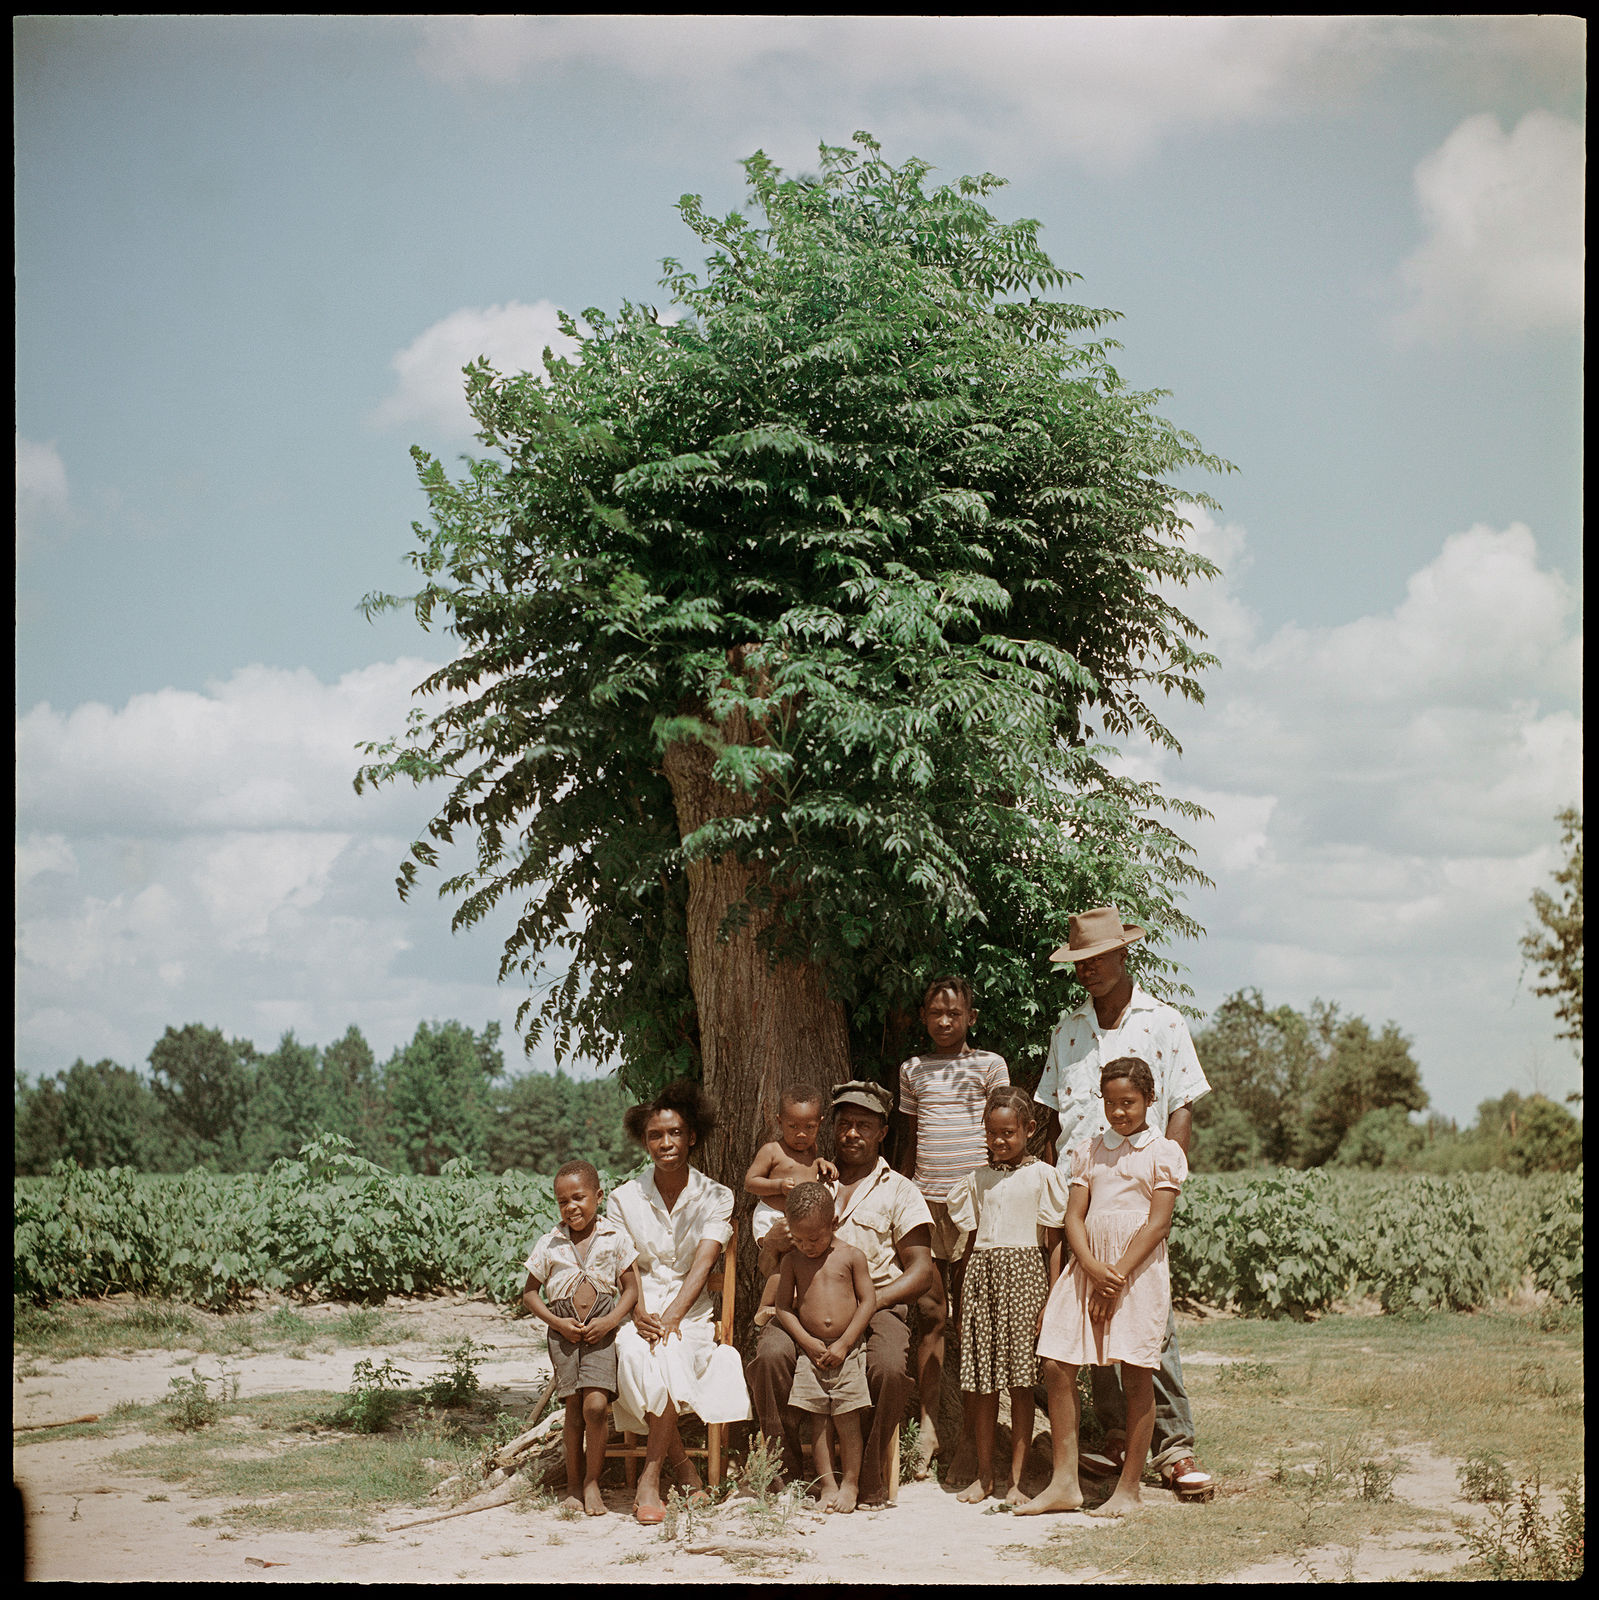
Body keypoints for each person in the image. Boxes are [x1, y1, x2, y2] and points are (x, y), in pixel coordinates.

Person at [1032, 905, 1215, 1502]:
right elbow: (1052, 1117)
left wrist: (1165, 1176)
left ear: (1123, 954)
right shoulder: (1068, 1031)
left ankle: (1174, 1446)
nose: (1090, 972)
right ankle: (1114, 1437)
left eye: (1099, 960)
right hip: (1082, 1199)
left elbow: (1183, 1104)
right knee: (1090, 1319)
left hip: (1141, 1199)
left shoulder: (1163, 1022)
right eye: (1080, 963)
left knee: (1146, 1322)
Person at [748, 1079, 937, 1506]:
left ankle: (866, 1480)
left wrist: (872, 1305)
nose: (852, 1133)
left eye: (864, 1126)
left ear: (882, 1133)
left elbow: (922, 1271)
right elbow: (768, 1268)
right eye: (845, 1124)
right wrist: (775, 1243)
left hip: (878, 1308)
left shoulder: (900, 1189)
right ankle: (787, 1479)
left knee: (888, 1368)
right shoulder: (808, 1181)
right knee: (770, 1357)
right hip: (804, 1308)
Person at [1022, 1058, 1187, 1517]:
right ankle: (1063, 1483)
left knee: (1136, 1373)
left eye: (1128, 1103)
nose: (1119, 1112)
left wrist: (1115, 1277)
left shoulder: (1164, 1151)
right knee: (1056, 1362)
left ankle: (1129, 1489)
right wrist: (1093, 1269)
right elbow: (1074, 1216)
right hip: (1089, 1267)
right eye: (1111, 1103)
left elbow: (1157, 1225)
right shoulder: (1089, 1150)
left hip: (1136, 1274)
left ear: (1150, 1100)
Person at [606, 1081, 751, 1524]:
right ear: (644, 1140)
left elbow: (705, 1262)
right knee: (632, 1352)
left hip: (692, 1312)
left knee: (668, 1351)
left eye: (674, 1132)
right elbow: (624, 1268)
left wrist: (671, 1318)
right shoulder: (623, 1198)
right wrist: (639, 1313)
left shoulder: (716, 1196)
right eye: (655, 1135)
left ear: (691, 1136)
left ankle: (651, 1477)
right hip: (638, 1308)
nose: (665, 1143)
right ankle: (684, 1468)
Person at [895, 975, 1010, 1468]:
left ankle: (976, 1436)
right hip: (924, 1203)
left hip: (979, 1205)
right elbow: (906, 1136)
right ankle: (928, 1425)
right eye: (935, 1013)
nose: (945, 1021)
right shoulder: (913, 1069)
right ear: (923, 1017)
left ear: (971, 1018)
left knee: (978, 1319)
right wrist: (896, 1191)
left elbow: (1006, 1128)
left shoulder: (988, 1065)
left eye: (954, 1013)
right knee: (933, 1316)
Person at [945, 1087, 1072, 1505]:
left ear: (1029, 1130)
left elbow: (1054, 1244)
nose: (999, 1142)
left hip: (1025, 1282)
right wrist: (963, 1301)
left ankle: (1017, 1481)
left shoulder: (1044, 1177)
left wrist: (1051, 1300)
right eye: (992, 1133)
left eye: (1008, 1133)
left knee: (1020, 1384)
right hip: (982, 1281)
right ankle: (984, 1477)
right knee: (982, 1385)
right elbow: (966, 1246)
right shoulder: (976, 1182)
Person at [520, 1159, 643, 1516]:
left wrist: (611, 1322)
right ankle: (575, 1484)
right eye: (562, 1201)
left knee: (596, 1405)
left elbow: (631, 1289)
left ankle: (593, 1480)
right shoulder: (549, 1243)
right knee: (573, 1408)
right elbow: (529, 1295)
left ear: (598, 1196)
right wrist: (557, 1325)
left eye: (579, 1197)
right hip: (563, 1332)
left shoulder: (615, 1239)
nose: (571, 1207)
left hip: (601, 1331)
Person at [761, 1182, 876, 1513]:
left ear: (834, 1223)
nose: (807, 1246)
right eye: (798, 1239)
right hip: (812, 1355)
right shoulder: (793, 1262)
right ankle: (827, 1485)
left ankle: (851, 1484)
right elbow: (782, 1308)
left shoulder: (852, 1257)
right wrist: (807, 1342)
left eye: (815, 1238)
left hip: (848, 1351)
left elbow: (868, 1300)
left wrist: (845, 1342)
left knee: (848, 1419)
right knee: (819, 1421)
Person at [745, 1082, 839, 1325]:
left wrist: (821, 1163)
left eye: (809, 1127)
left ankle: (793, 1302)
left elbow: (807, 1170)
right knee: (783, 1259)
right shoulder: (772, 1151)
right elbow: (750, 1182)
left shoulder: (812, 1151)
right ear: (779, 1122)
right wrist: (778, 1186)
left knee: (799, 1261)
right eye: (793, 1126)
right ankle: (765, 1306)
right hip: (773, 1215)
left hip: (798, 1219)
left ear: (820, 1123)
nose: (801, 1134)